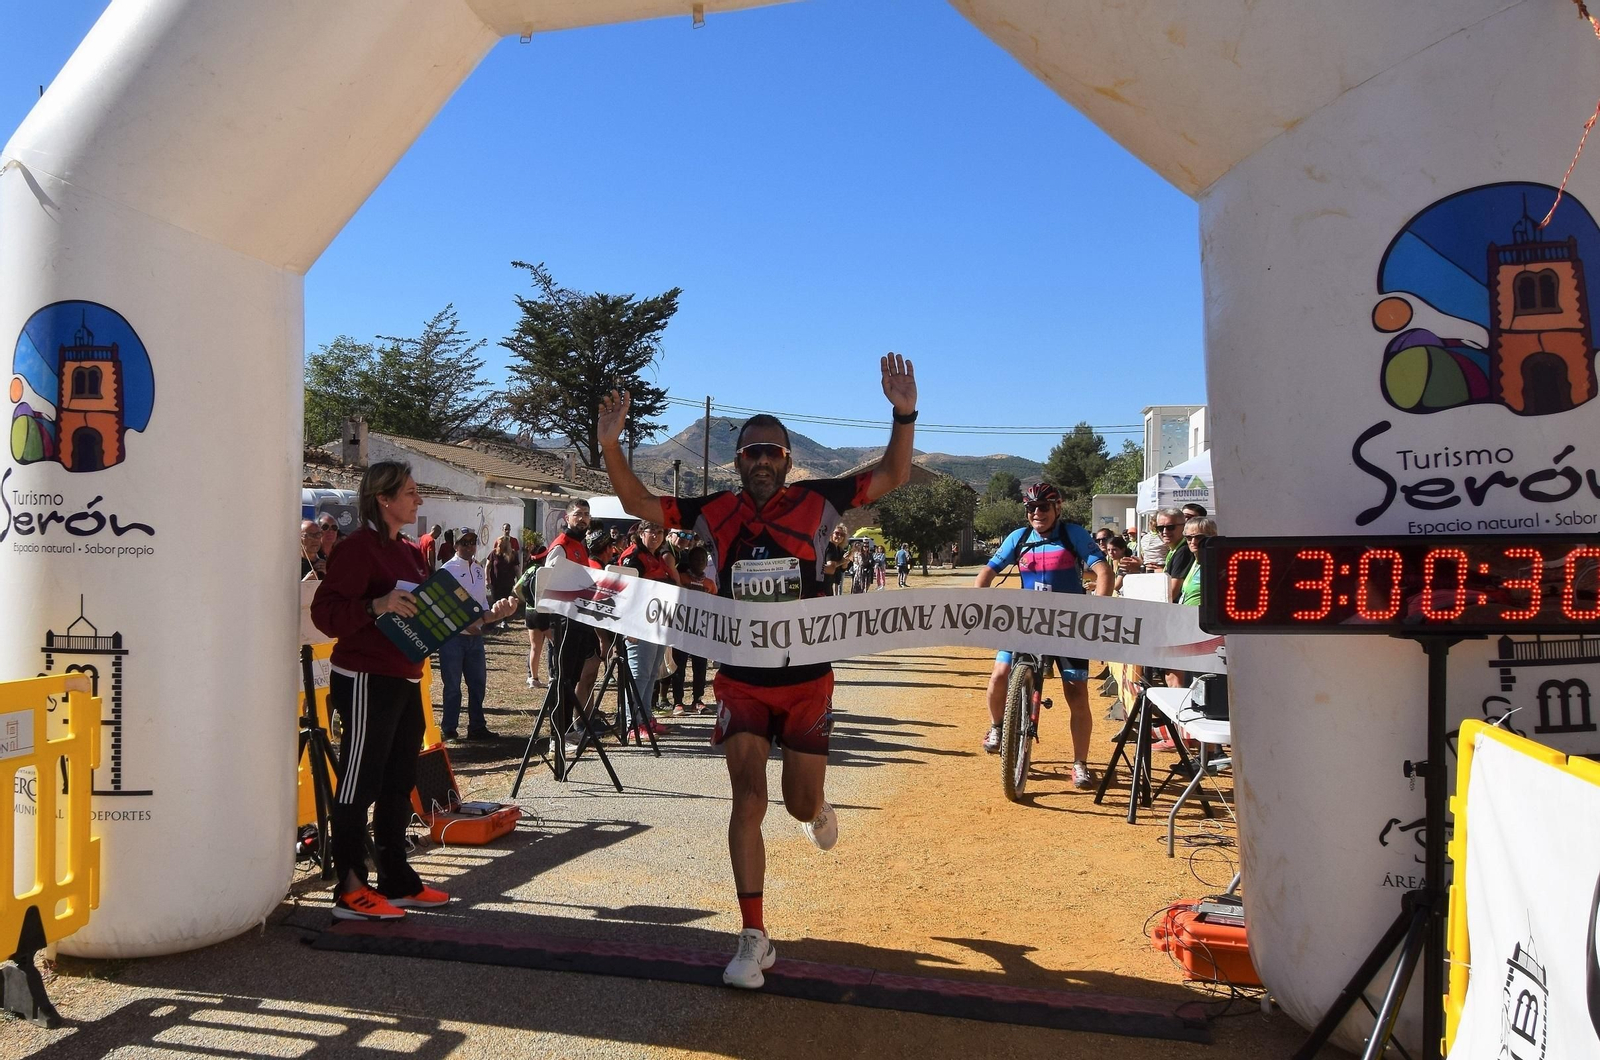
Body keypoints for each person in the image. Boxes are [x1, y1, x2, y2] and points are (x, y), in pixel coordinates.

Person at [596, 352, 917, 990]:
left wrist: (903, 412)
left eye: (772, 449)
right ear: (736, 462)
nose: (762, 459)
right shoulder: (715, 511)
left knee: (798, 805)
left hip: (806, 681)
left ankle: (819, 810)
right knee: (748, 798)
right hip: (741, 680)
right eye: (750, 452)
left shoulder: (819, 501)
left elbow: (892, 474)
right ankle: (752, 936)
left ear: (788, 459)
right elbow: (639, 503)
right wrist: (612, 446)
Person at [308, 463, 505, 920]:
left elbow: (424, 616)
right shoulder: (358, 549)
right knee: (359, 781)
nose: (418, 501)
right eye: (411, 493)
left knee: (399, 781)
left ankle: (395, 879)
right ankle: (350, 887)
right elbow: (325, 613)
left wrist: (486, 617)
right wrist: (376, 604)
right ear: (384, 498)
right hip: (364, 678)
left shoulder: (410, 552)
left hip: (407, 677)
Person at [975, 482, 1111, 791]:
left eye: (1044, 507)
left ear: (1057, 508)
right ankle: (998, 727)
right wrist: (978, 602)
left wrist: (1099, 611)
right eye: (1031, 508)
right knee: (1000, 674)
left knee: (1076, 692)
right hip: (1027, 620)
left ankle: (1079, 763)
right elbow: (987, 572)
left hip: (1068, 622)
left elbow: (1103, 573)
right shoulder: (1019, 538)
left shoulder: (1072, 534)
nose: (1037, 513)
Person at [543, 501, 605, 744]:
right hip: (563, 623)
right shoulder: (561, 546)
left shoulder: (580, 545)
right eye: (578, 514)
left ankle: (567, 730)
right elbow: (548, 585)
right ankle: (555, 737)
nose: (583, 519)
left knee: (573, 679)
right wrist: (547, 625)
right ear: (566, 518)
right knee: (562, 680)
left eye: (586, 515)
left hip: (579, 621)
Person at [438, 528, 501, 741]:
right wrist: (464, 625)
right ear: (455, 545)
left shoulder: (479, 568)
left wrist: (493, 616)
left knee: (477, 684)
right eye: (464, 542)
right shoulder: (447, 570)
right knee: (453, 686)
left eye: (472, 542)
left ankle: (477, 727)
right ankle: (449, 729)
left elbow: (482, 603)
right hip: (453, 638)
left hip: (475, 638)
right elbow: (442, 605)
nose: (469, 546)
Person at [617, 519, 678, 739]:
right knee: (638, 675)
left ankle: (646, 718)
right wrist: (629, 627)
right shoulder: (633, 557)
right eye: (652, 531)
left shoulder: (655, 557)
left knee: (652, 673)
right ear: (641, 532)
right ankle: (632, 723)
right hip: (638, 625)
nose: (657, 535)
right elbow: (625, 592)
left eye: (660, 532)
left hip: (657, 623)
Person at [670, 544, 712, 715]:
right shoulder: (681, 578)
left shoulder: (710, 584)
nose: (700, 561)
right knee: (678, 665)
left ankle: (698, 700)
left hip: (701, 629)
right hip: (681, 628)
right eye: (696, 558)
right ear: (690, 560)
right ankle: (678, 701)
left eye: (703, 559)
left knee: (700, 665)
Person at [486, 532, 520, 605]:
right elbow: (487, 566)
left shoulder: (513, 554)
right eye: (498, 545)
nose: (499, 546)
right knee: (496, 602)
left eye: (501, 545)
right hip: (495, 583)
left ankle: (505, 616)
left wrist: (519, 582)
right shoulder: (494, 553)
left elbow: (516, 569)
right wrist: (487, 580)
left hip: (507, 583)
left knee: (505, 603)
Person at [823, 525, 849, 596]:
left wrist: (846, 560)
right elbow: (831, 567)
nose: (839, 536)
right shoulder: (830, 546)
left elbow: (843, 569)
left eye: (842, 535)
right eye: (837, 533)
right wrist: (842, 562)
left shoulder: (839, 549)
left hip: (832, 583)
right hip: (823, 584)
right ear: (831, 534)